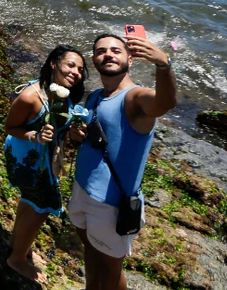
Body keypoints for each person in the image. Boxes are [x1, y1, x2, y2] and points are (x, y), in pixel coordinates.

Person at [71, 33, 177, 290]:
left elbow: (164, 102)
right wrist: (77, 136)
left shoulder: (134, 98)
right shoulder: (95, 96)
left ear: (130, 58)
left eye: (116, 50)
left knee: (111, 267)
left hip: (111, 204)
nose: (108, 54)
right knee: (90, 249)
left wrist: (163, 65)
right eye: (101, 51)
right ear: (94, 60)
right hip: (82, 188)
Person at [3, 45, 87, 283]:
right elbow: (10, 127)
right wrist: (36, 136)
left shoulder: (63, 93)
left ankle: (16, 245)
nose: (76, 73)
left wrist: (72, 134)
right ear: (53, 63)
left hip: (44, 157)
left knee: (29, 201)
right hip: (27, 159)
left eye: (80, 69)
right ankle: (17, 260)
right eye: (70, 65)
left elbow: (60, 128)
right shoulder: (31, 96)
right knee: (41, 207)